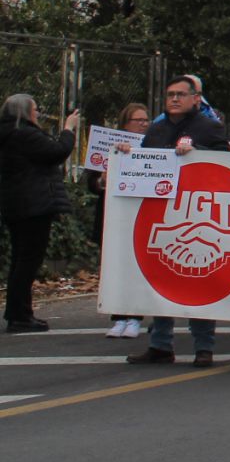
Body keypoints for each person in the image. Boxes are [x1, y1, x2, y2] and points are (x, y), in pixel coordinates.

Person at [125, 75, 230, 366]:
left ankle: (203, 346)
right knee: (162, 278)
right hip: (161, 213)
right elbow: (142, 166)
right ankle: (160, 344)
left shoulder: (209, 128)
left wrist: (198, 154)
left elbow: (226, 162)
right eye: (170, 94)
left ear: (196, 98)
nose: (174, 99)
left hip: (198, 213)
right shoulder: (156, 130)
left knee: (199, 278)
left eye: (180, 94)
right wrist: (125, 158)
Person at [1, 93, 78, 334]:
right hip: (35, 203)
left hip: (15, 204)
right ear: (25, 111)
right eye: (35, 109)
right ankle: (20, 315)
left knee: (20, 259)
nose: (38, 113)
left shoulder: (7, 134)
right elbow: (57, 151)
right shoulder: (25, 134)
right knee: (29, 260)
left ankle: (18, 312)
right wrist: (68, 129)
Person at [89, 103, 150, 337]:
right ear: (126, 123)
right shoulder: (108, 146)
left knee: (135, 265)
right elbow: (92, 183)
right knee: (114, 265)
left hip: (139, 215)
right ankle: (118, 317)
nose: (144, 124)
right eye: (139, 121)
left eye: (146, 120)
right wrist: (103, 179)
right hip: (112, 214)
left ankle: (134, 317)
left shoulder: (152, 146)